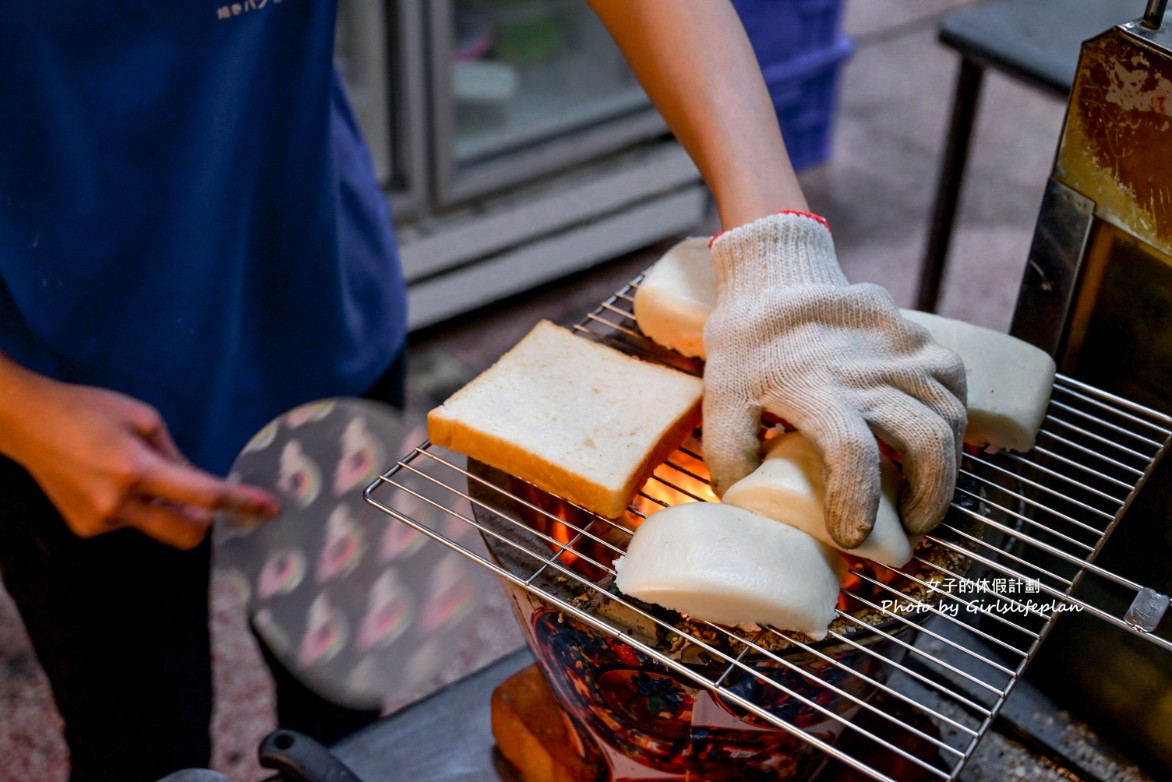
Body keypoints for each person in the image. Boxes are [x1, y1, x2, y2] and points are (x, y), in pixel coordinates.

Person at [0, 2, 965, 780]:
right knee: (138, 735)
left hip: (315, 289)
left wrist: (775, 243)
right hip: (60, 382)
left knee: (341, 695)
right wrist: (20, 409)